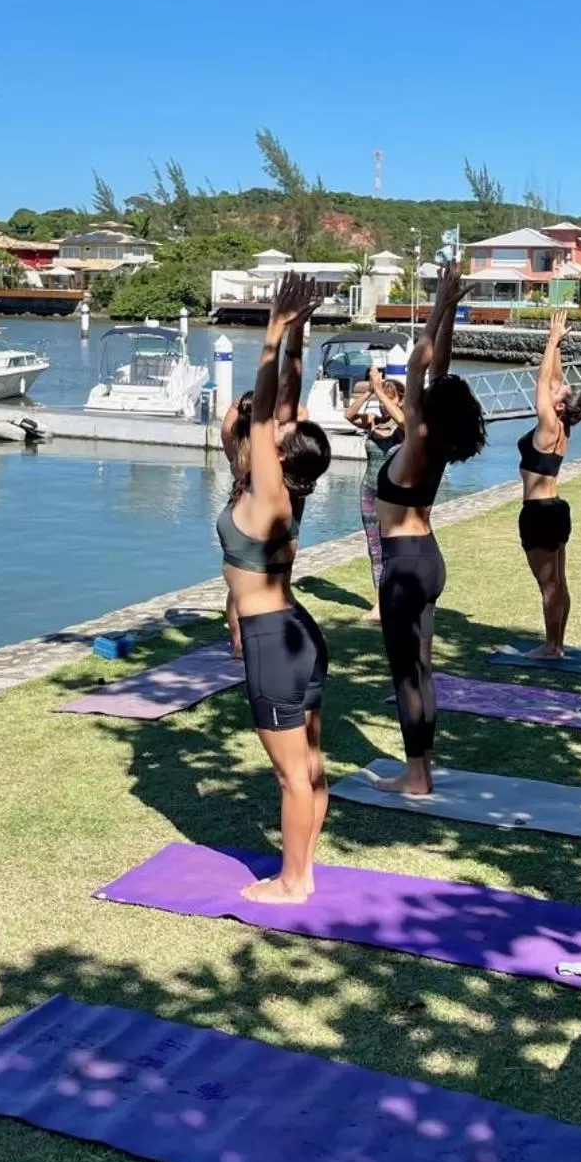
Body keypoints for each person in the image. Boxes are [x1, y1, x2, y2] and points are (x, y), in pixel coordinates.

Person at [219, 274, 334, 901]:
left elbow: (265, 412)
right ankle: (305, 869)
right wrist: (297, 335)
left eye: (279, 439)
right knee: (310, 764)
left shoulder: (269, 494)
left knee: (292, 774)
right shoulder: (285, 487)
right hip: (295, 632)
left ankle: (292, 883)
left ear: (282, 460)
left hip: (274, 642)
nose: (275, 428)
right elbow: (282, 405)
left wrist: (270, 329)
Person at [374, 262, 487, 796]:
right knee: (422, 668)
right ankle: (424, 767)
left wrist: (440, 305)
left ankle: (415, 775)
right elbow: (437, 368)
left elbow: (419, 368)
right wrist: (449, 314)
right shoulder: (435, 445)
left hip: (403, 566)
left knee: (405, 674)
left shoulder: (418, 440)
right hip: (429, 558)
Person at [220, 301, 315, 659]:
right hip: (257, 528)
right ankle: (241, 643)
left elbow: (282, 397)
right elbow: (284, 399)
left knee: (247, 582)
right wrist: (291, 331)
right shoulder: (250, 450)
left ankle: (243, 645)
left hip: (256, 524)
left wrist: (288, 332)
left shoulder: (256, 456)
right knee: (250, 582)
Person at [518, 308, 581, 658]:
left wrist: (550, 341)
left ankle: (551, 646)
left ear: (561, 408)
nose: (558, 387)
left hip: (539, 512)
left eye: (562, 392)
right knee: (558, 582)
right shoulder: (563, 427)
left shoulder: (550, 424)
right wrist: (559, 343)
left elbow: (541, 385)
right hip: (556, 508)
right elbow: (552, 381)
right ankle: (557, 644)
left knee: (548, 584)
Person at [344, 363, 406, 619]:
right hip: (369, 493)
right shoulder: (372, 423)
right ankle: (380, 604)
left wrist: (381, 390)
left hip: (394, 497)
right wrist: (370, 391)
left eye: (387, 399)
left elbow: (401, 418)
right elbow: (349, 415)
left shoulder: (404, 428)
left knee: (397, 548)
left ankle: (401, 597)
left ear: (400, 400)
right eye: (381, 400)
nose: (383, 405)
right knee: (375, 549)